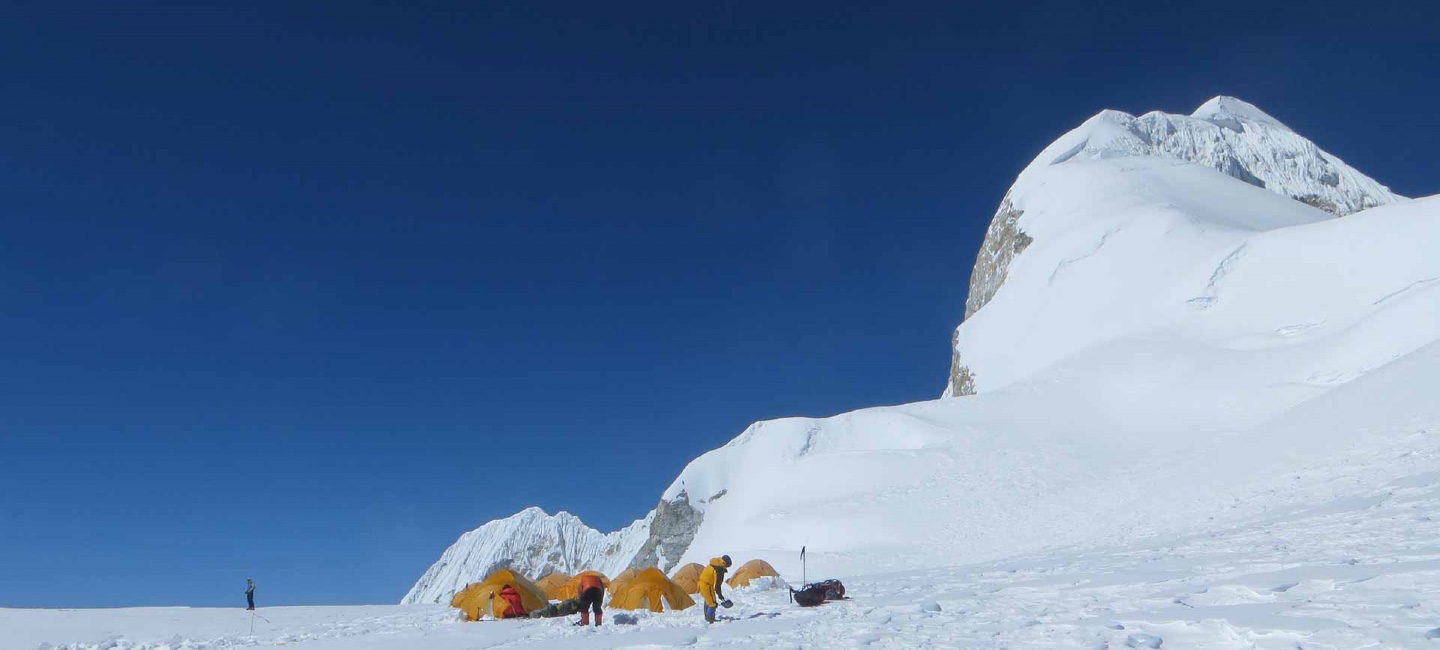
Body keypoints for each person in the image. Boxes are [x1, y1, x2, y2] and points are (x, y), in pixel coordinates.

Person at [695, 556, 733, 623]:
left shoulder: (714, 563)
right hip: (707, 586)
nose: (726, 568)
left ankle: (707, 617)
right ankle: (710, 619)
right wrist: (720, 594)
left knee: (708, 600)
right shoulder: (719, 570)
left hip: (701, 584)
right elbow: (717, 585)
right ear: (725, 563)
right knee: (712, 603)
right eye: (727, 566)